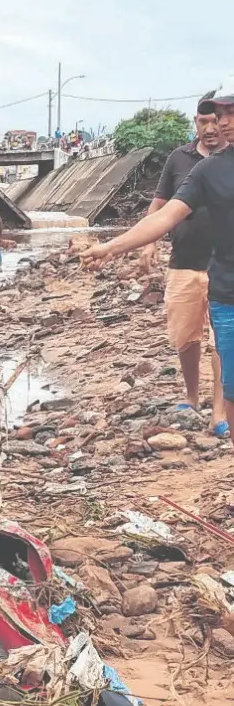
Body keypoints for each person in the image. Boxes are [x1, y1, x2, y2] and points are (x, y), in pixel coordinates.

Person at [82, 90, 234, 443]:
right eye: (218, 115)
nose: (223, 123)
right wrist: (113, 246)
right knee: (232, 389)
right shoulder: (208, 170)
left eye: (230, 114)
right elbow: (165, 215)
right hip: (227, 295)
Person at [135, 98, 227, 435]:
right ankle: (192, 396)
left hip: (224, 267)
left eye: (216, 120)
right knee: (185, 337)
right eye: (204, 122)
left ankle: (219, 411)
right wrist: (148, 244)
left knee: (222, 339)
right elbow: (159, 206)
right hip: (183, 262)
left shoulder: (230, 162)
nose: (211, 128)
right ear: (195, 122)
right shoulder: (179, 159)